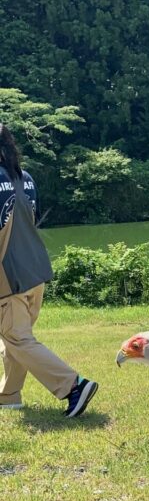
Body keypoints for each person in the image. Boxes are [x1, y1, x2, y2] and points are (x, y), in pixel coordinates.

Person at [0, 124, 98, 416]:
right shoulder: (24, 178)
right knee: (17, 337)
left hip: (9, 278)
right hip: (36, 270)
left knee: (18, 338)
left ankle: (73, 386)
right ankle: (8, 395)